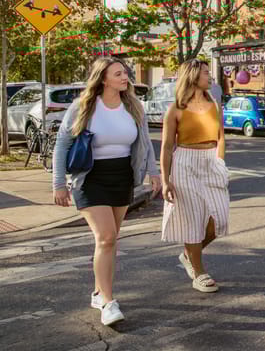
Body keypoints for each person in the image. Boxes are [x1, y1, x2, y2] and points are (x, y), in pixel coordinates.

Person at [52, 58, 161, 327]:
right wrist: (58, 184)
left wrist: (154, 172)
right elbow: (62, 145)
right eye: (119, 73)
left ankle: (99, 292)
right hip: (90, 178)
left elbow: (144, 143)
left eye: (125, 73)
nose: (126, 77)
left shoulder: (133, 106)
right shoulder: (84, 106)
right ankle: (109, 303)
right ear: (103, 79)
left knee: (111, 241)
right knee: (106, 237)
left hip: (122, 177)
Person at [160, 59, 229, 294]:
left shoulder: (215, 105)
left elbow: (221, 138)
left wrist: (220, 162)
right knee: (192, 219)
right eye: (206, 73)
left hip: (211, 161)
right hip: (185, 163)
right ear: (192, 77)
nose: (210, 76)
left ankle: (189, 254)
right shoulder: (176, 109)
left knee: (218, 219)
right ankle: (199, 273)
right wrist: (165, 179)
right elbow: (167, 146)